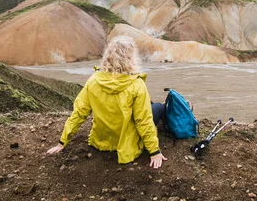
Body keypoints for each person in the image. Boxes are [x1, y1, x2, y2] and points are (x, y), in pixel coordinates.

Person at [46, 36, 167, 169]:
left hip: (102, 140)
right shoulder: (137, 84)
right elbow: (143, 121)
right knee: (158, 108)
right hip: (126, 143)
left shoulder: (93, 81)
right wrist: (154, 151)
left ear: (108, 56)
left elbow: (79, 113)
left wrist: (62, 142)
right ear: (131, 58)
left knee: (147, 104)